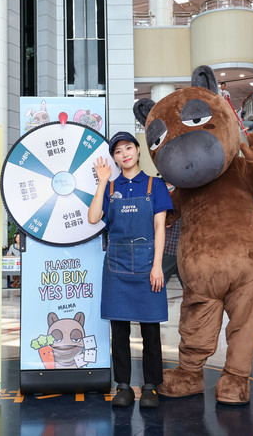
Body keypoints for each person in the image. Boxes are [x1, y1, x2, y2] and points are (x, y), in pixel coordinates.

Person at [87, 131, 172, 409]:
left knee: (150, 330)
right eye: (118, 151)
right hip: (117, 267)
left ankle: (150, 386)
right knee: (119, 330)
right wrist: (102, 182)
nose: (124, 154)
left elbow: (160, 228)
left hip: (148, 266)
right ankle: (123, 386)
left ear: (137, 150)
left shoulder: (155, 185)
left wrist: (157, 265)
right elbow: (93, 218)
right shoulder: (111, 187)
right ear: (114, 158)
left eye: (128, 148)